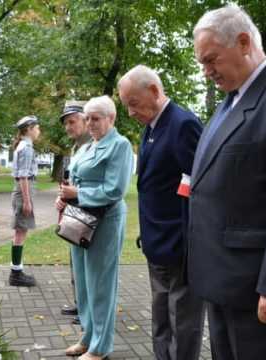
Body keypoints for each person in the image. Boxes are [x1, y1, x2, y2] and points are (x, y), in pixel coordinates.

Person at [189, 4, 266, 359]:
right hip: (219, 279)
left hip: (251, 288)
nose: (207, 72)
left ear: (244, 42)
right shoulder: (229, 103)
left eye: (211, 60)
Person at [118, 65, 204, 360]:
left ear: (154, 91)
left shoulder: (183, 124)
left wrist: (187, 239)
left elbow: (199, 188)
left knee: (183, 322)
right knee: (160, 319)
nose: (130, 112)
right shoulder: (150, 127)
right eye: (126, 105)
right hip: (156, 244)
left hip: (179, 247)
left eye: (133, 103)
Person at [57, 95, 133, 360]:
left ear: (111, 119)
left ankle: (100, 347)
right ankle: (89, 337)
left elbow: (115, 189)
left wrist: (76, 192)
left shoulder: (120, 146)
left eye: (95, 118)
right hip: (80, 220)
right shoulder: (86, 147)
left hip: (105, 222)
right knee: (84, 284)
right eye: (87, 118)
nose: (89, 123)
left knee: (101, 284)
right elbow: (72, 180)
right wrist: (64, 197)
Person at [58, 101, 90, 324]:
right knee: (76, 262)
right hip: (74, 212)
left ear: (86, 120)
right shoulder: (76, 146)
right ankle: (81, 304)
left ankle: (87, 309)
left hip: (88, 214)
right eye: (66, 123)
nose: (68, 127)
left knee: (87, 265)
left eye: (72, 121)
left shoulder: (93, 144)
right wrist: (61, 197)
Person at [9, 115, 41, 287]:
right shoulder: (26, 147)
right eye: (37, 127)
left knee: (20, 231)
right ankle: (16, 273)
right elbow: (23, 176)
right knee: (21, 232)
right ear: (29, 129)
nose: (38, 131)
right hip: (23, 193)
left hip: (21, 192)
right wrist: (27, 202)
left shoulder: (24, 146)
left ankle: (16, 270)